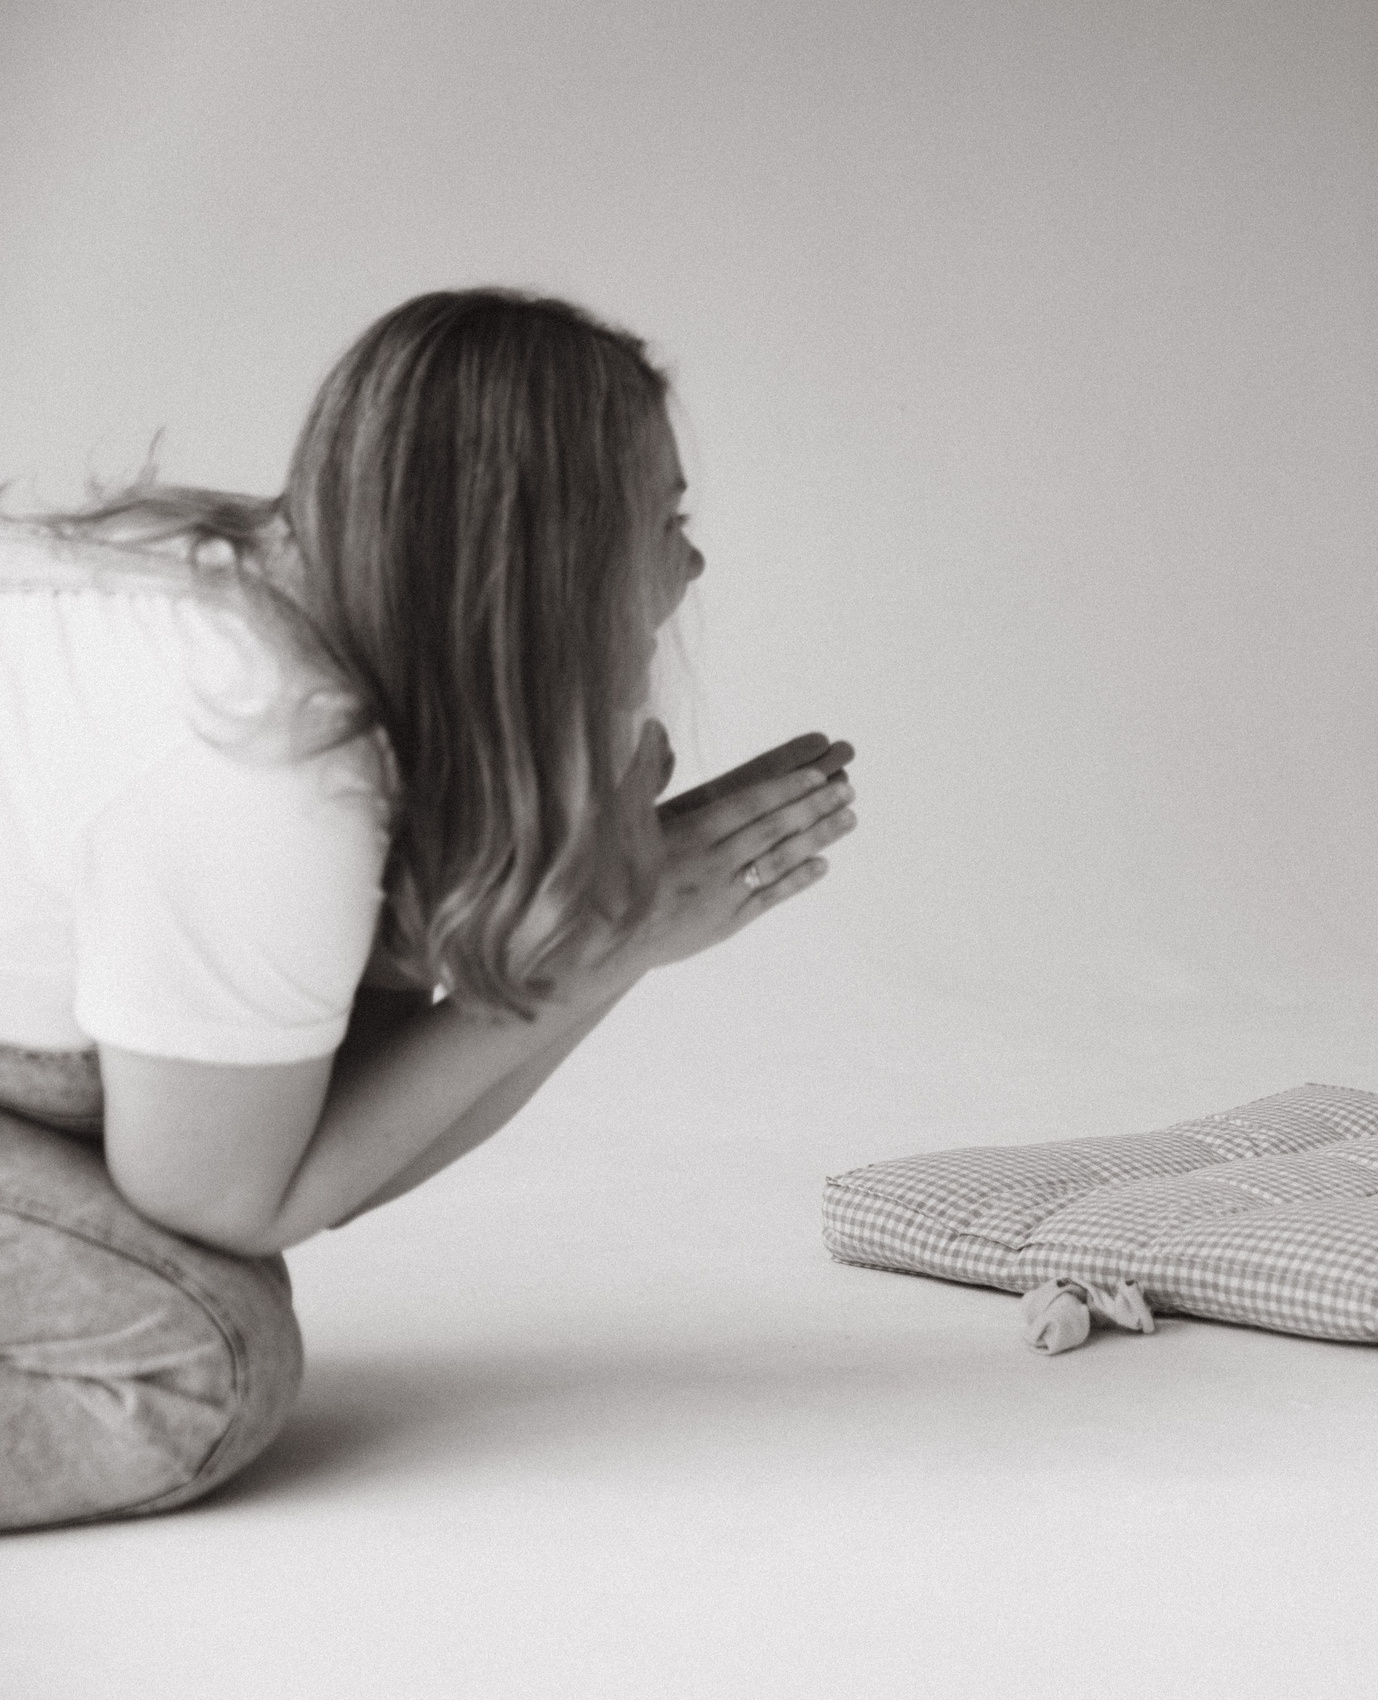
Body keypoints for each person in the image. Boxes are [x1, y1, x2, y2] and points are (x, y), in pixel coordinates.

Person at [0, 289, 856, 1529]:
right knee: (198, 1363)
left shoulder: (271, 610)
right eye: (661, 520)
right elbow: (228, 1197)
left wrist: (608, 936)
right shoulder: (268, 747)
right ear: (545, 558)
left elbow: (345, 1117)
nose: (690, 565)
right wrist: (610, 943)